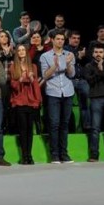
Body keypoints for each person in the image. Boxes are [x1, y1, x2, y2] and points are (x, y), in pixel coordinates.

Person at [40, 31, 76, 164]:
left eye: (62, 39)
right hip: (53, 92)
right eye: (58, 39)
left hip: (67, 91)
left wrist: (67, 63)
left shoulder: (69, 55)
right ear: (52, 40)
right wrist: (55, 65)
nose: (61, 41)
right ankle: (54, 155)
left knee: (64, 124)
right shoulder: (45, 56)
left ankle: (64, 154)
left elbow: (72, 74)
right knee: (54, 124)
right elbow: (45, 76)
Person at [9, 44, 42, 165]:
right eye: (19, 50)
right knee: (23, 129)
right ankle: (24, 155)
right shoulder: (13, 67)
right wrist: (21, 80)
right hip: (20, 100)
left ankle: (30, 155)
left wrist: (32, 80)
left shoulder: (33, 66)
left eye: (23, 50)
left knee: (30, 129)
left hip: (31, 100)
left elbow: (36, 85)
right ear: (17, 53)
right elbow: (13, 85)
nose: (22, 52)